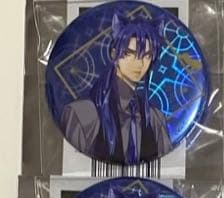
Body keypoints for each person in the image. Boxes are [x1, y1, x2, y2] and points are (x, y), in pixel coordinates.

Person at [60, 12, 172, 164]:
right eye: (130, 53)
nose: (139, 64)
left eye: (147, 56)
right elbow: (73, 166)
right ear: (114, 54)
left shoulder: (155, 118)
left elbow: (167, 166)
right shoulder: (82, 114)